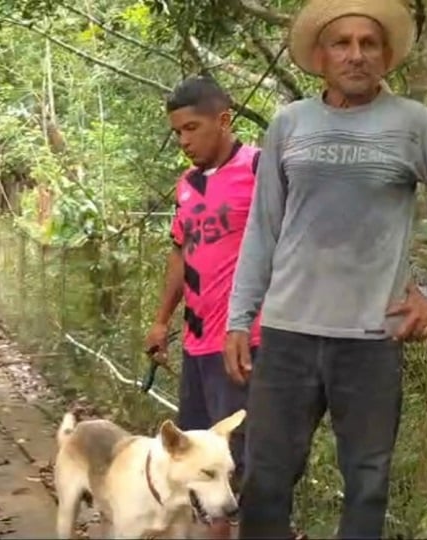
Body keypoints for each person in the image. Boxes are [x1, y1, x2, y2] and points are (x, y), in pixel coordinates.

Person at [223, 0, 427, 538]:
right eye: (342, 43)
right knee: (266, 480)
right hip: (288, 333)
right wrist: (238, 316)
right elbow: (264, 227)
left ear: (386, 55)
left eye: (368, 44)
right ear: (320, 56)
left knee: (367, 483)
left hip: (369, 340)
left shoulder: (412, 125)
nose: (355, 55)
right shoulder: (290, 123)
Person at [144, 75, 262, 539]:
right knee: (195, 459)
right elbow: (180, 251)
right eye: (177, 133)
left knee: (236, 461)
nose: (184, 141)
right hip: (196, 345)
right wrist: (160, 320)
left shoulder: (260, 169)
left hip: (245, 341)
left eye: (192, 128)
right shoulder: (187, 184)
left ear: (224, 119)